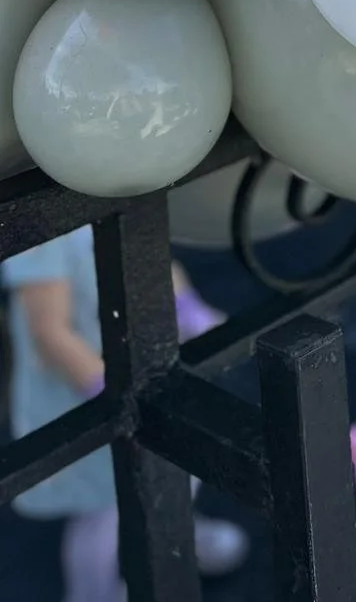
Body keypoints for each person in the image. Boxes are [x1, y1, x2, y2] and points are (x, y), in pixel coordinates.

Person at [2, 225, 249, 602]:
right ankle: (92, 593)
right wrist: (110, 393)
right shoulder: (44, 234)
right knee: (106, 505)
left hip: (143, 364)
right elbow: (49, 332)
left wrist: (191, 310)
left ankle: (182, 536)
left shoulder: (116, 187)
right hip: (85, 392)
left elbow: (155, 256)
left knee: (171, 465)